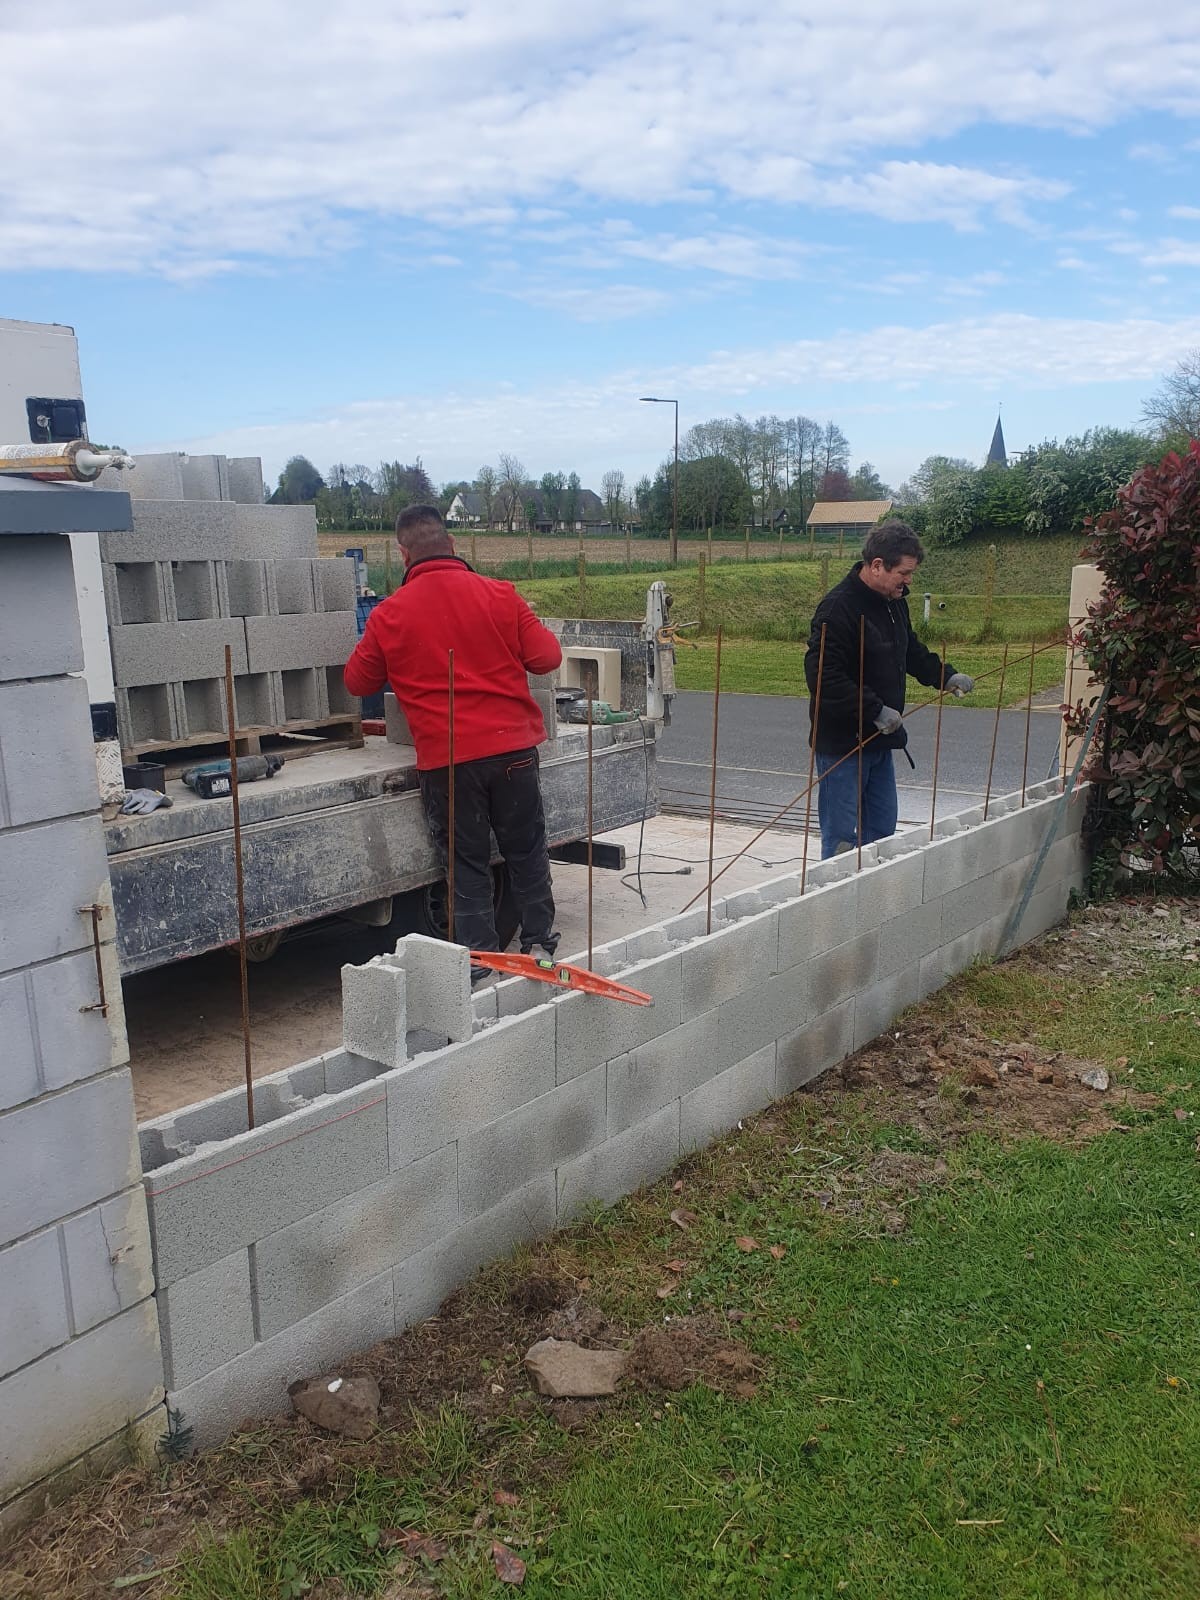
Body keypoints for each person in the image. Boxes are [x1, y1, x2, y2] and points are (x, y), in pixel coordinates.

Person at [344, 504, 563, 957]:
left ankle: (478, 959)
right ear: (453, 545)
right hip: (514, 753)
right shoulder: (501, 594)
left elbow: (357, 683)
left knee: (466, 865)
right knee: (526, 852)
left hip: (449, 762)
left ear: (404, 556)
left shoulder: (388, 614)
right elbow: (547, 659)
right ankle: (540, 943)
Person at [803, 520, 973, 859]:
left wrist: (945, 676)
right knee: (840, 840)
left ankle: (870, 901)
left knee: (882, 832)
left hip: (880, 741)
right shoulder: (838, 608)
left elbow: (909, 650)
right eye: (904, 573)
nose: (909, 581)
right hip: (842, 746)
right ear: (877, 565)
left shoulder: (895, 601)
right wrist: (874, 710)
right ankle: (837, 905)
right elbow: (822, 676)